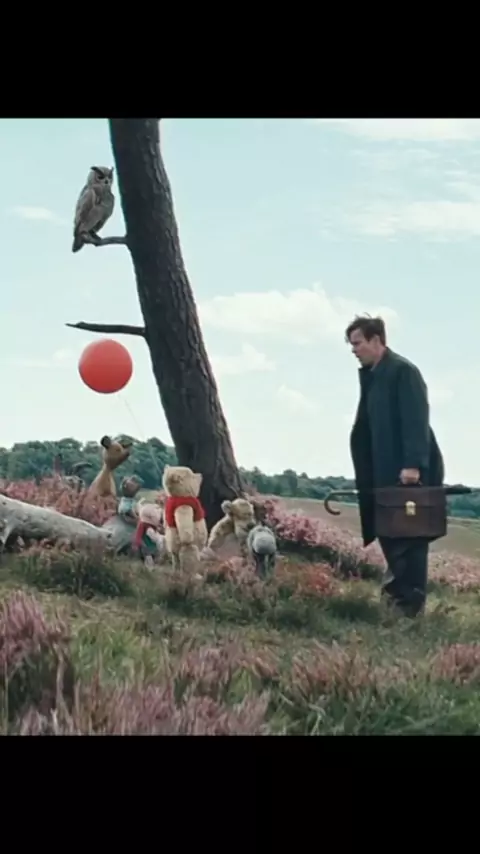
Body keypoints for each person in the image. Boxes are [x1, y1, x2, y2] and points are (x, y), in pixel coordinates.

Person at [345, 315, 445, 617]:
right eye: (351, 345)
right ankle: (394, 604)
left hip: (408, 474)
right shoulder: (374, 376)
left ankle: (408, 609)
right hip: (383, 472)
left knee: (409, 540)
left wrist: (413, 465)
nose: (354, 350)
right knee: (390, 534)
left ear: (376, 340)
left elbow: (416, 419)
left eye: (358, 343)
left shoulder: (403, 371)